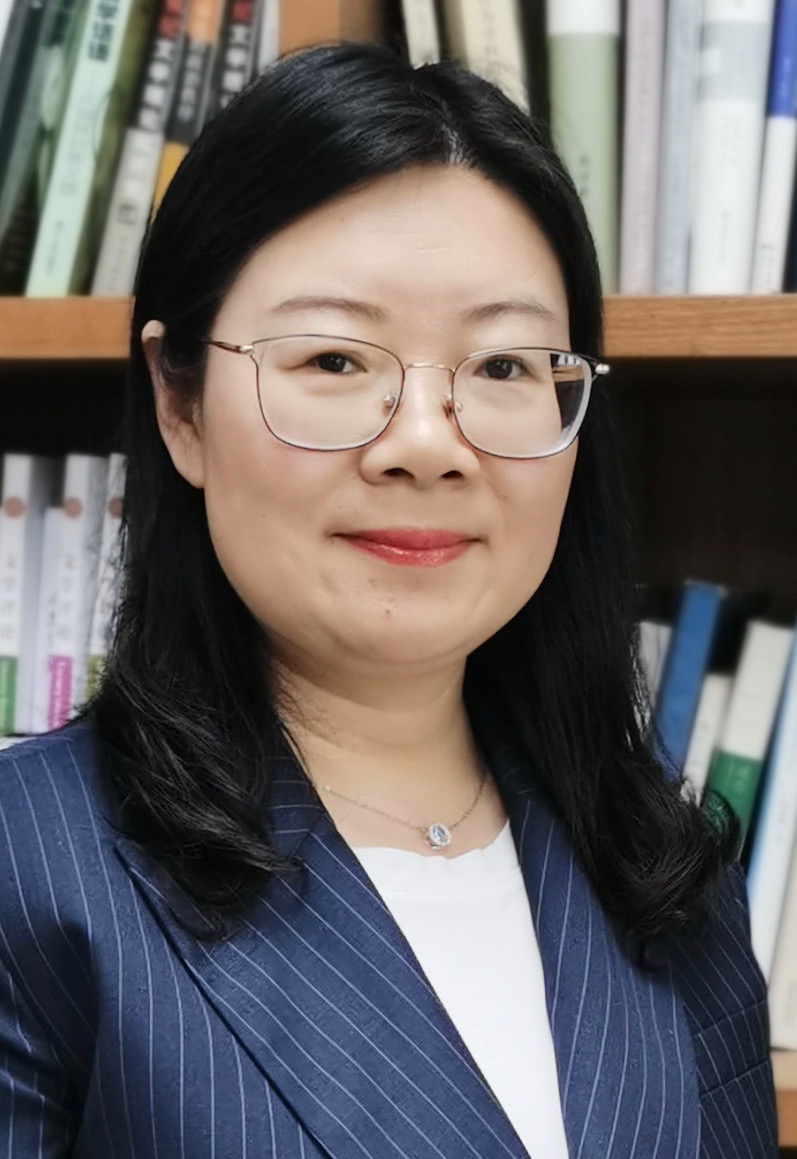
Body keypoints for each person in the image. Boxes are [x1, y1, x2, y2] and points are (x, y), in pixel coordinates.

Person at [0, 41, 776, 1159]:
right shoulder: (30, 866)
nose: (425, 444)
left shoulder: (663, 873)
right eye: (333, 360)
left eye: (503, 367)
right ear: (180, 403)